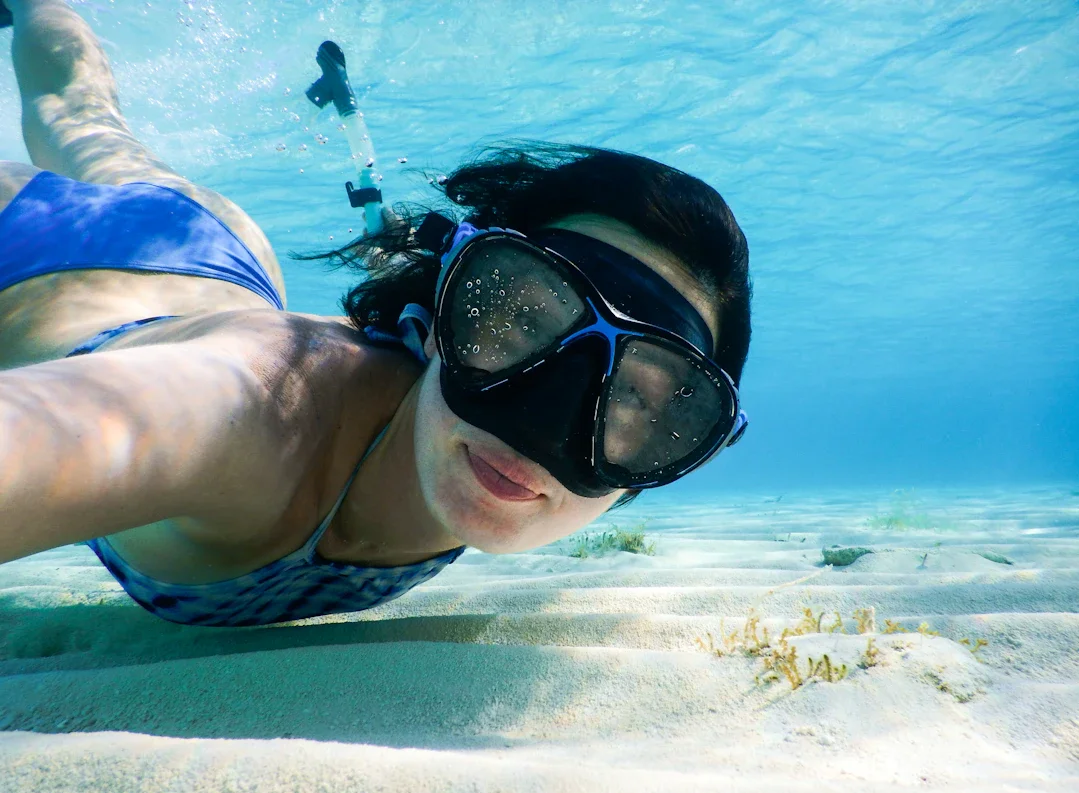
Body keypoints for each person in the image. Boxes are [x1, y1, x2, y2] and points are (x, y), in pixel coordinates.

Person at [0, 0, 752, 627]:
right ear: (441, 319)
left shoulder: (446, 429)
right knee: (72, 113)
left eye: (636, 401)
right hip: (35, 260)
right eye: (524, 320)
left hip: (218, 252)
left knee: (82, 116)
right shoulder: (260, 408)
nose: (539, 429)